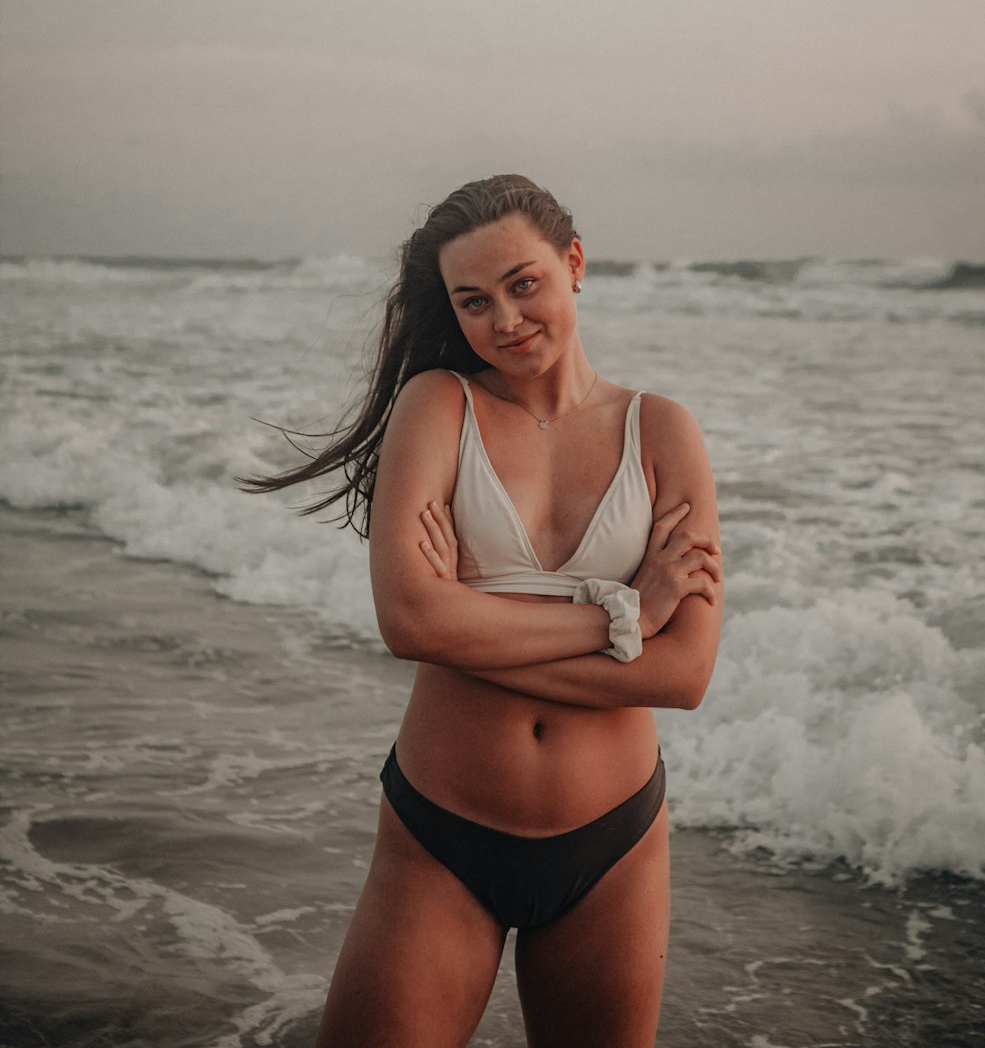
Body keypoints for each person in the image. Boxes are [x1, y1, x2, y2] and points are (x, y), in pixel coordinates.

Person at [242, 175, 723, 1047]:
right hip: (441, 834)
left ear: (573, 264)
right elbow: (409, 624)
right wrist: (626, 614)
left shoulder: (662, 433)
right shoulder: (437, 406)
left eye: (523, 283)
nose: (503, 319)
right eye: (473, 301)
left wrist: (472, 620)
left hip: (612, 845)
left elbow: (684, 674)